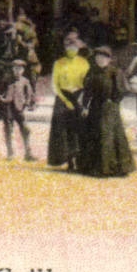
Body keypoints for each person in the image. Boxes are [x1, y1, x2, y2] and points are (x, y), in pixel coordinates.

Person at [78, 46, 136, 177]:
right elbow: (87, 91)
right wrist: (85, 106)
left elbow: (122, 90)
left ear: (109, 59)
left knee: (109, 135)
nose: (100, 60)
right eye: (98, 57)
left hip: (110, 107)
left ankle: (113, 168)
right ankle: (95, 167)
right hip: (95, 107)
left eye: (103, 57)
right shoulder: (92, 71)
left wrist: (113, 101)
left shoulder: (115, 72)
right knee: (95, 134)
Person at [46, 33, 89, 170]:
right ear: (65, 49)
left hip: (78, 96)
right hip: (62, 96)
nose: (72, 50)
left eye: (74, 47)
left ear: (78, 49)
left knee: (78, 128)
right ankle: (67, 159)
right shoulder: (58, 63)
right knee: (62, 128)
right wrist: (65, 100)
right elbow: (54, 84)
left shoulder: (84, 63)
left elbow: (87, 82)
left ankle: (80, 160)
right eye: (69, 47)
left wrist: (81, 99)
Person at [0, 58, 37, 161]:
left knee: (25, 129)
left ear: (23, 70)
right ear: (12, 69)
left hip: (19, 108)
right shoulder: (6, 80)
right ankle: (10, 153)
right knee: (8, 130)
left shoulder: (25, 81)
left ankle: (28, 153)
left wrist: (28, 103)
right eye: (15, 69)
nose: (17, 71)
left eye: (20, 69)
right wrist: (2, 100)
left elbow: (29, 94)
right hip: (7, 108)